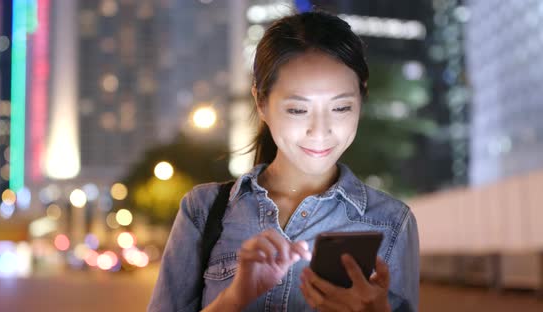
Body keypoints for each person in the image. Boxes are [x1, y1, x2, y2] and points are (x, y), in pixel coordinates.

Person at [148, 10, 419, 312]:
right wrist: (234, 298)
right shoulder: (204, 210)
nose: (320, 131)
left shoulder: (392, 222)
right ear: (261, 102)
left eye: (341, 107)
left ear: (362, 98)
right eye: (297, 110)